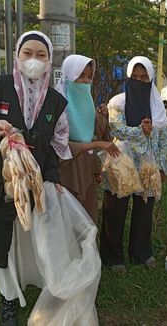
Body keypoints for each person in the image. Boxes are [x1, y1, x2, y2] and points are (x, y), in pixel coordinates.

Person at [0, 31, 68, 325]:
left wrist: (52, 179)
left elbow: (56, 144)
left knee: (31, 240)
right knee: (3, 243)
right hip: (0, 183)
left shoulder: (55, 101)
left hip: (33, 187)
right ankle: (9, 299)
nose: (34, 61)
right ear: (16, 54)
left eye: (41, 55)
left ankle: (38, 286)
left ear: (50, 60)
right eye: (28, 53)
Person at [99, 56, 167, 271]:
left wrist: (162, 166)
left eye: (144, 77)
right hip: (122, 163)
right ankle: (112, 256)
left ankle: (141, 252)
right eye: (135, 77)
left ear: (151, 79)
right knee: (115, 209)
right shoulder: (118, 102)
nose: (139, 81)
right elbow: (117, 129)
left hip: (147, 166)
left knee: (144, 210)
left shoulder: (157, 105)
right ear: (128, 78)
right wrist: (140, 130)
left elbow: (163, 138)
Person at [55, 54, 120, 222]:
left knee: (88, 222)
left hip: (88, 172)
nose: (85, 81)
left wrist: (102, 117)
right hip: (67, 173)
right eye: (80, 75)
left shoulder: (88, 102)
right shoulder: (56, 105)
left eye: (89, 76)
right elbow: (57, 146)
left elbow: (98, 137)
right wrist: (96, 143)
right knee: (69, 225)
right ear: (69, 75)